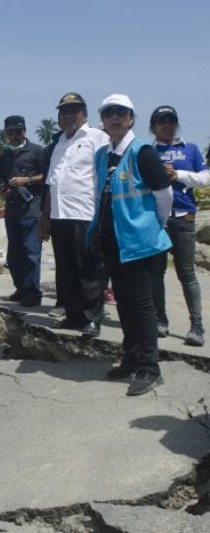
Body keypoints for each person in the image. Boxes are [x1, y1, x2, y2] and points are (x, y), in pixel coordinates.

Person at [87, 94, 173, 396]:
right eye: (109, 113)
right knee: (123, 302)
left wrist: (153, 227)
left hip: (141, 243)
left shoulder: (142, 152)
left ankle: (150, 368)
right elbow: (100, 197)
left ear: (131, 118)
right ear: (103, 120)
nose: (114, 118)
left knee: (142, 306)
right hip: (113, 243)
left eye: (120, 113)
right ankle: (131, 358)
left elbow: (164, 196)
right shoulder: (102, 155)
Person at [40, 92, 109, 337]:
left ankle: (91, 318)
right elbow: (52, 182)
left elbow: (105, 176)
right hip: (60, 216)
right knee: (66, 269)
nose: (68, 115)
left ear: (84, 114)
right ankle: (73, 316)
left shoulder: (97, 137)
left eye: (73, 110)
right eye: (63, 111)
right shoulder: (59, 143)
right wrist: (45, 217)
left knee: (89, 268)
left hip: (85, 214)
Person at [149, 105, 209, 346]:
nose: (167, 125)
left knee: (187, 274)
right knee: (156, 273)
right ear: (153, 127)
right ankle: (160, 321)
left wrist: (179, 175)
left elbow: (206, 177)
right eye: (161, 121)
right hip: (156, 220)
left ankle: (197, 326)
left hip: (184, 218)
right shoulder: (147, 151)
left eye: (171, 120)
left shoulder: (191, 149)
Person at [0, 115, 45, 306]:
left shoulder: (37, 151)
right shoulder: (4, 156)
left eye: (18, 132)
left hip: (32, 209)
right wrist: (2, 190)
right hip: (12, 210)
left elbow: (48, 176)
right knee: (14, 254)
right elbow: (0, 179)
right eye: (10, 133)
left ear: (25, 131)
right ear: (6, 134)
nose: (14, 136)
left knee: (31, 252)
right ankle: (21, 289)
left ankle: (33, 294)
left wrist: (27, 181)